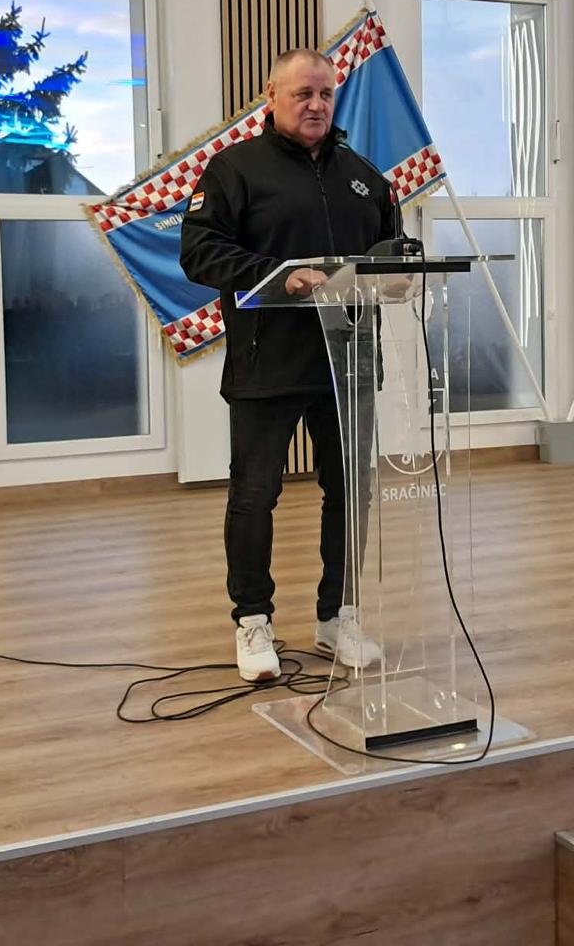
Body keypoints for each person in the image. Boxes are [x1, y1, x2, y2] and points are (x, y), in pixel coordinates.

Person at [180, 48, 396, 681]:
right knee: (255, 496)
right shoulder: (235, 169)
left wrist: (397, 277)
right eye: (303, 93)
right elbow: (199, 252)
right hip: (267, 364)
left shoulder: (365, 177)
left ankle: (338, 616)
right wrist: (276, 274)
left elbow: (387, 253)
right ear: (270, 95)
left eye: (325, 93)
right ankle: (253, 621)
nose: (316, 105)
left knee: (350, 493)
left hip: (348, 363)